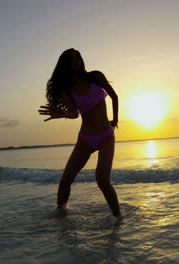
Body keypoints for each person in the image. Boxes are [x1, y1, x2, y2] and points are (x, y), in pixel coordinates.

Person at [38, 48, 121, 218]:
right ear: (65, 64)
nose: (76, 61)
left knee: (102, 180)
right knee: (65, 179)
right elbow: (74, 113)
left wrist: (115, 120)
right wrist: (62, 114)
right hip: (85, 139)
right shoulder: (67, 90)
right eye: (72, 59)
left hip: (106, 136)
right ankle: (61, 215)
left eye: (78, 57)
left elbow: (114, 97)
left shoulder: (96, 77)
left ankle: (118, 218)